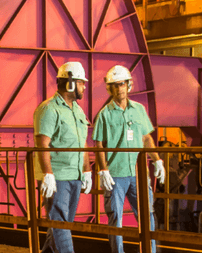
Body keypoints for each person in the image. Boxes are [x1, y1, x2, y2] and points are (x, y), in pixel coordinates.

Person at [92, 65, 165, 253]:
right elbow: (98, 144)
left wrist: (157, 160)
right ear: (110, 88)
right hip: (115, 175)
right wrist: (104, 170)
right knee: (115, 217)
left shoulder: (139, 110)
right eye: (115, 85)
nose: (119, 89)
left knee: (147, 215)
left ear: (129, 85)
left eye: (122, 84)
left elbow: (146, 138)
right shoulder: (104, 115)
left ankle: (150, 251)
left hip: (138, 174)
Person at [33, 61, 92, 253]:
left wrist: (87, 171)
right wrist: (48, 174)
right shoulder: (49, 109)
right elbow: (42, 143)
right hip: (58, 177)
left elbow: (82, 143)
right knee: (60, 222)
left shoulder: (77, 110)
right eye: (82, 82)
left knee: (62, 223)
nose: (84, 86)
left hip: (74, 175)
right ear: (70, 83)